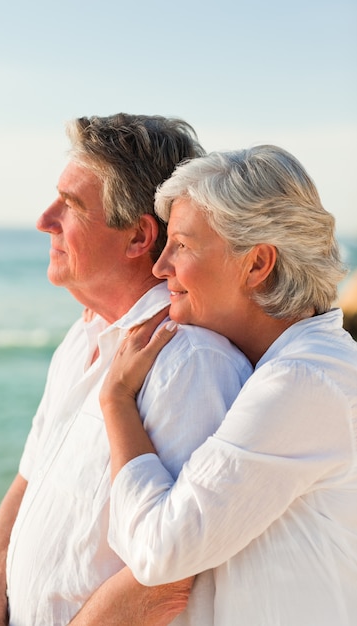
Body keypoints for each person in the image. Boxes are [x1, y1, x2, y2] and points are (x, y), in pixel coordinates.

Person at [0, 114, 253, 626]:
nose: (44, 219)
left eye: (71, 206)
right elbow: (26, 481)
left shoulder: (189, 363)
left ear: (137, 238)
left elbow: (170, 577)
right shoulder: (81, 339)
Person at [98, 145, 357, 625]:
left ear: (257, 264)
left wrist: (115, 401)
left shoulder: (303, 381)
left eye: (182, 245)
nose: (161, 267)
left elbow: (160, 551)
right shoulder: (304, 365)